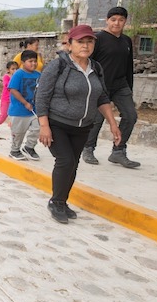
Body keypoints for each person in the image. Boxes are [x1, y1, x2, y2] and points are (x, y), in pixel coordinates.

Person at [36, 24, 121, 224]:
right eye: (80, 41)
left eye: (89, 41)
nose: (85, 45)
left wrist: (112, 123)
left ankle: (62, 202)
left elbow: (102, 97)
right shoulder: (58, 66)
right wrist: (44, 126)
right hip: (57, 123)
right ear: (70, 44)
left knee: (73, 165)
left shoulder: (96, 68)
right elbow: (41, 97)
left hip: (82, 127)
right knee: (65, 161)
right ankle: (56, 202)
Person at [82, 6, 140, 168]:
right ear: (107, 20)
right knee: (97, 118)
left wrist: (130, 88)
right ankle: (88, 148)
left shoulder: (127, 41)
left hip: (121, 85)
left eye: (121, 20)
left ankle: (118, 151)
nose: (117, 23)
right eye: (113, 19)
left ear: (125, 22)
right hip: (100, 85)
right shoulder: (98, 39)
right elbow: (87, 62)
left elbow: (128, 66)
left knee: (131, 115)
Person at [7, 50, 42, 161]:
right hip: (19, 110)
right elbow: (13, 89)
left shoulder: (39, 75)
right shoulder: (18, 74)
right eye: (30, 61)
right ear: (22, 62)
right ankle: (15, 150)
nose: (33, 64)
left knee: (37, 128)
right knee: (18, 132)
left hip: (34, 110)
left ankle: (29, 147)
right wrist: (25, 103)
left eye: (35, 61)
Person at [0, 61, 19, 133]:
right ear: (8, 70)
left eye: (16, 69)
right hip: (6, 99)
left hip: (15, 99)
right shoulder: (6, 77)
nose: (15, 71)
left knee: (15, 114)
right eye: (13, 69)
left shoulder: (17, 77)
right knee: (4, 114)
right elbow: (7, 85)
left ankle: (14, 128)